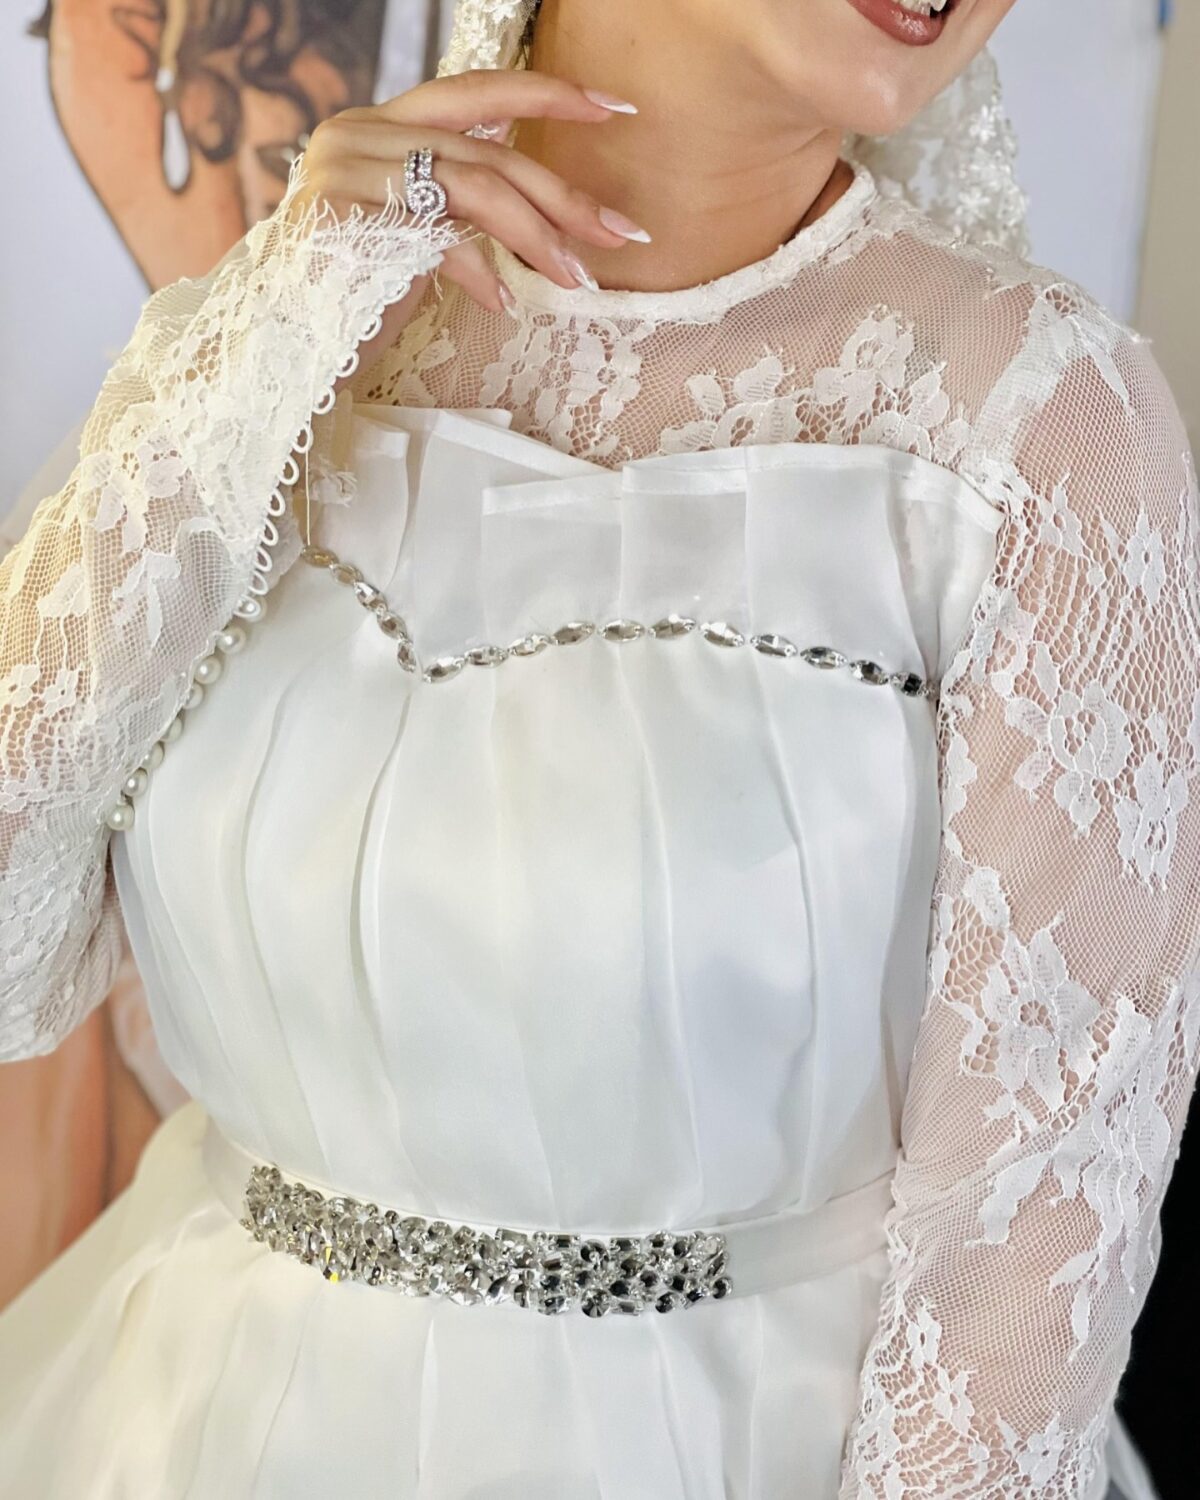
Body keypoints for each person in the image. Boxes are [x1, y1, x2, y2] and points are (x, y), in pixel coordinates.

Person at [0, 0, 1195, 1495]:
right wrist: (272, 333)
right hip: (179, 1428)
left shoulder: (1037, 424)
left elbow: (1022, 1246)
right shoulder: (295, 331)